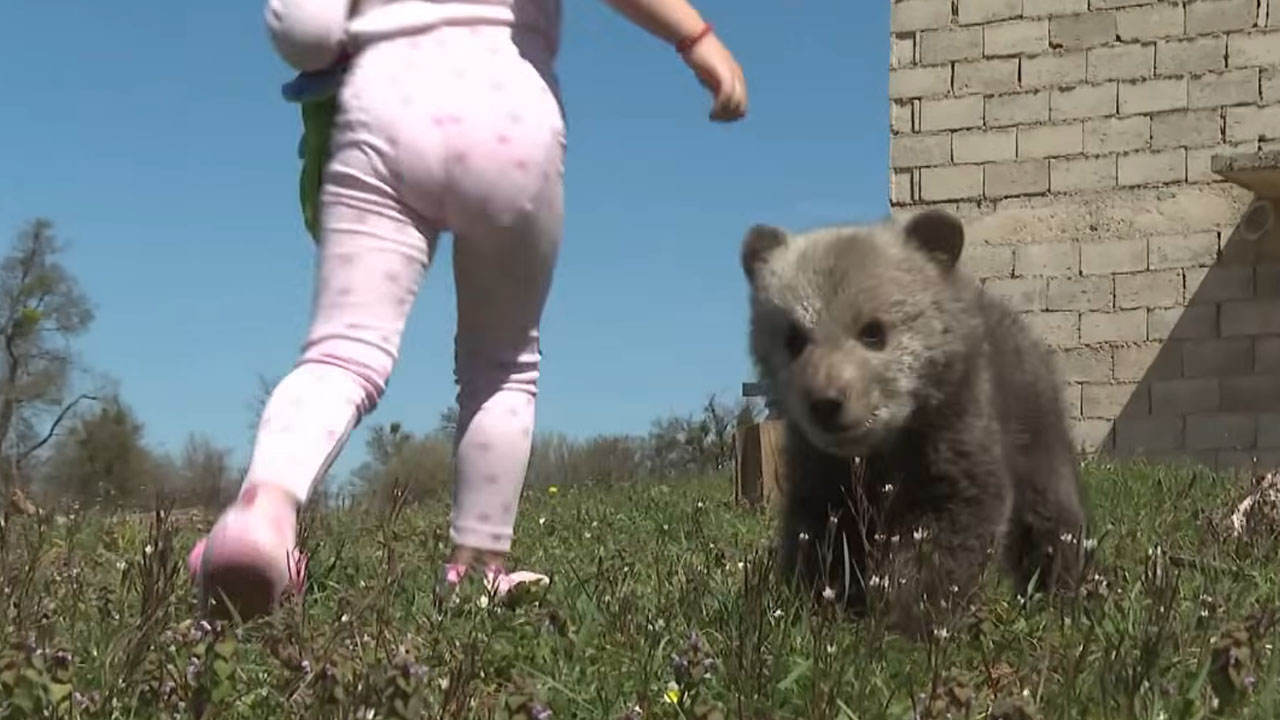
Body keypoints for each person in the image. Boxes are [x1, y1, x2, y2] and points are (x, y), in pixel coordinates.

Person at [186, 0, 748, 620]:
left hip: (384, 111)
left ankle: (263, 515)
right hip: (510, 118)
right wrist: (697, 40)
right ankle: (477, 570)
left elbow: (304, 27)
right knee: (502, 367)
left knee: (342, 354)